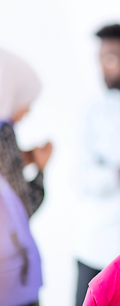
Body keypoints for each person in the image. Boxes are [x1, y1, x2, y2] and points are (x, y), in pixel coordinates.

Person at [73, 24, 120, 306]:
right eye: (101, 58)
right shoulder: (90, 112)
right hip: (95, 249)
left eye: (112, 57)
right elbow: (81, 178)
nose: (105, 66)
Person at [0, 48, 52, 306]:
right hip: (12, 278)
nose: (28, 111)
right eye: (26, 101)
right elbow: (24, 206)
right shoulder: (4, 133)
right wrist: (41, 169)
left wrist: (27, 158)